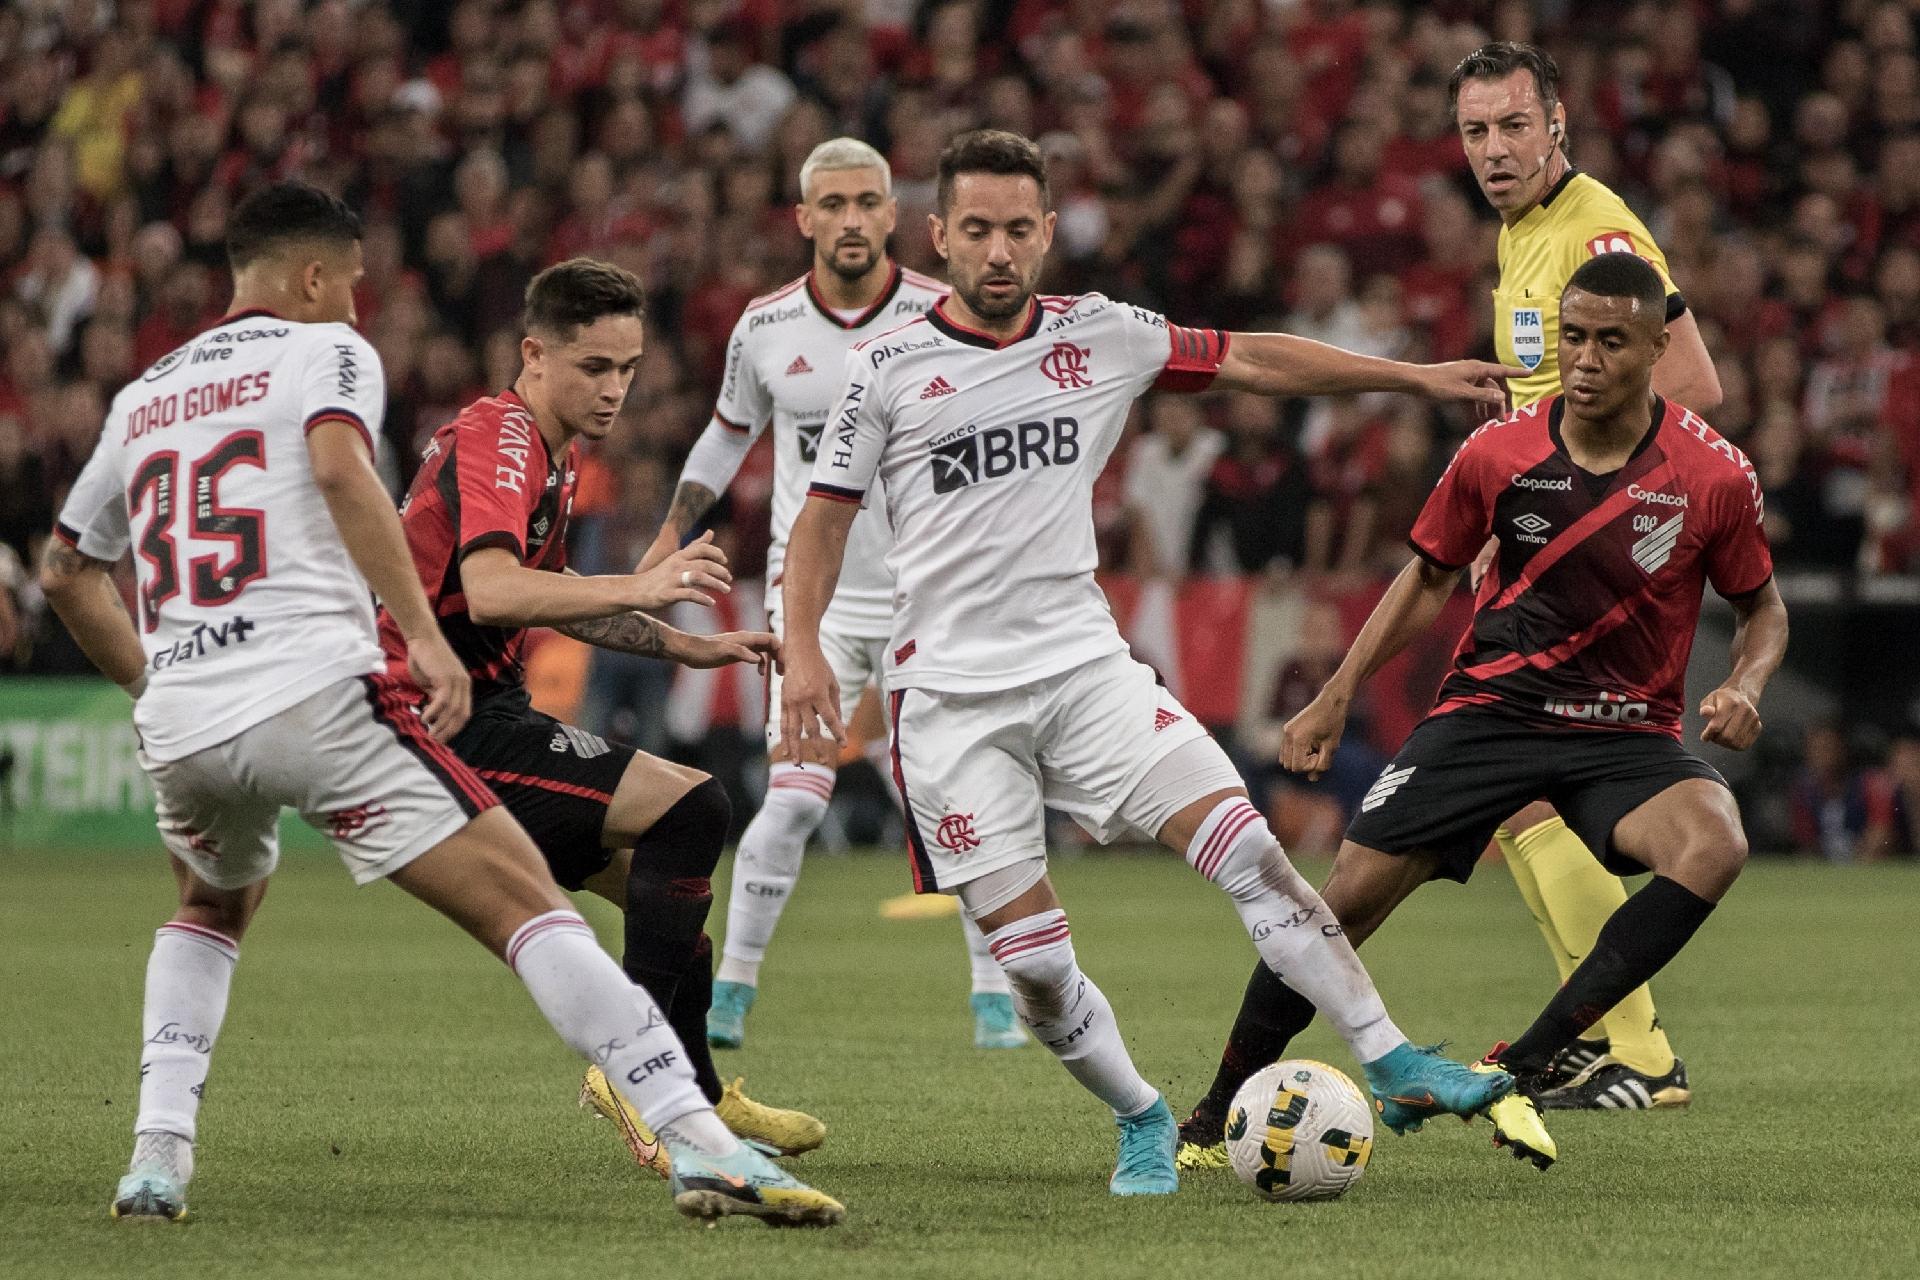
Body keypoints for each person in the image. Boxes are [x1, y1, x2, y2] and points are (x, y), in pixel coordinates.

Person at [40, 182, 842, 1227]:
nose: (363, 306)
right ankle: (687, 1129)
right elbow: (417, 527)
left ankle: (156, 1160)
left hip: (189, 715)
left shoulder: (144, 393)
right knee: (549, 897)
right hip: (365, 698)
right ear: (319, 275)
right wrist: (427, 633)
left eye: (625, 370)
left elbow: (64, 569)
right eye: (357, 282)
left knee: (210, 907)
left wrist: (156, 684)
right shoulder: (347, 363)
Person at [780, 129, 1536, 1197]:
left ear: (1048, 233)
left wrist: (1412, 379)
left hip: (1089, 674)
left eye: (1019, 230)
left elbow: (1255, 357)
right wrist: (807, 651)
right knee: (1035, 970)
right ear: (938, 235)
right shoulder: (885, 369)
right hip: (948, 704)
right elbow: (819, 526)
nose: (999, 251)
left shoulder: (1104, 334)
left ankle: (1393, 1055)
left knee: (1254, 853)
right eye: (978, 230)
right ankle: (1140, 1109)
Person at [1180, 44, 1724, 1156]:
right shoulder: (1523, 240)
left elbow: (1694, 386)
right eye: (1475, 133)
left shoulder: (1598, 233)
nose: (1493, 151)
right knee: (1516, 815)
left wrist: (1558, 502)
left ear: (1557, 122)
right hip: (1534, 583)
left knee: (1433, 843)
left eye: (1513, 126)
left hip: (1582, 595)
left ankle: (1632, 1048)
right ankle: (1630, 1045)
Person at [377, 256, 827, 1178]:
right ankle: (636, 1082)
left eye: (627, 368)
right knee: (694, 809)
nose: (615, 389)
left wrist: (681, 643)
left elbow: (554, 593)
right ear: (533, 354)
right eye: (594, 367)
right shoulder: (500, 438)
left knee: (668, 898)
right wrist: (649, 580)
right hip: (432, 719)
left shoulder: (546, 447)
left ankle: (696, 1099)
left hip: (475, 707)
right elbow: (495, 589)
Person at [640, 137, 1026, 1052]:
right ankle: (730, 994)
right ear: (804, 218)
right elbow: (725, 440)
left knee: (963, 797)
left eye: (867, 203)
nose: (851, 220)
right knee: (796, 798)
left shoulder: (949, 311)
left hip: (933, 597)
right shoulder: (766, 327)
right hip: (812, 604)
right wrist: (669, 536)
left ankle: (993, 996)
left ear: (894, 215)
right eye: (833, 205)